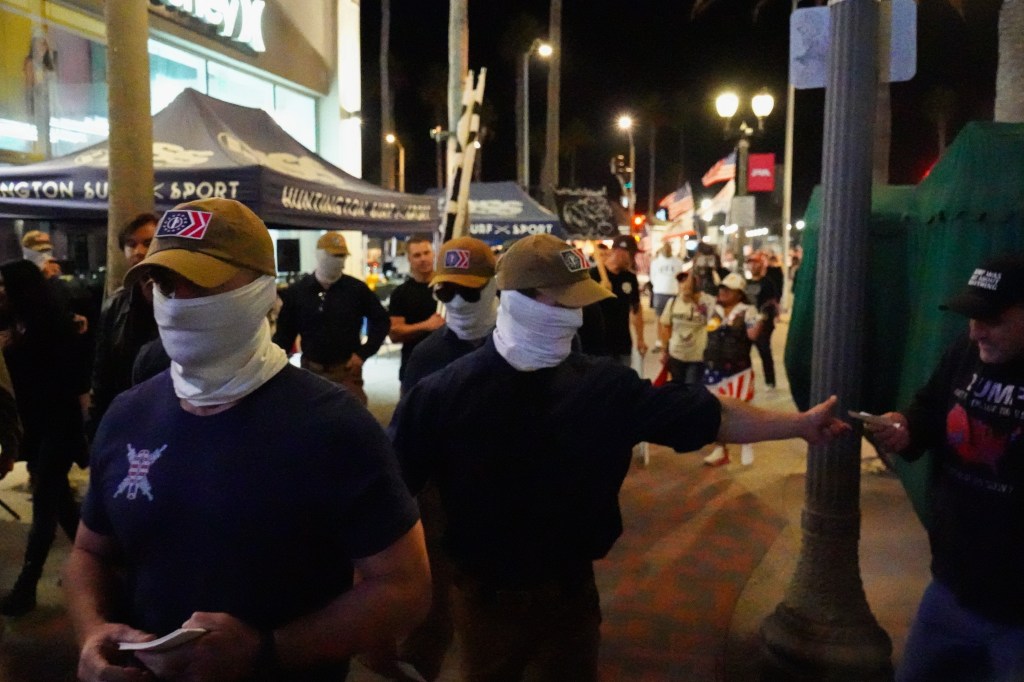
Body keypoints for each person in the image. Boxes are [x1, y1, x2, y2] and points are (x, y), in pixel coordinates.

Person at [389, 233, 849, 682]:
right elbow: (389, 493)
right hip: (486, 600)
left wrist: (798, 424)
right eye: (564, 301)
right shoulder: (443, 393)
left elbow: (710, 415)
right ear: (519, 300)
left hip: (572, 595)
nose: (576, 314)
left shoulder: (603, 386)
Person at [64, 198, 430, 682]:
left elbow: (404, 587)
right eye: (165, 284)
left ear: (261, 290)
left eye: (202, 282)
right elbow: (90, 552)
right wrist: (91, 631)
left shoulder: (334, 426)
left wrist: (268, 651)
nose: (179, 302)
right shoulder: (128, 415)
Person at [866, 255, 1024, 682]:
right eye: (972, 317)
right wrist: (906, 427)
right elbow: (932, 405)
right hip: (951, 586)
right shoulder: (967, 351)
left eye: (992, 319)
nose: (976, 331)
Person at [390, 236, 497, 680]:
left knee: (493, 609)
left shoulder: (520, 345)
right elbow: (408, 434)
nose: (456, 303)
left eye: (468, 292)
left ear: (493, 288)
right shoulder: (428, 354)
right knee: (433, 598)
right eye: (445, 291)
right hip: (440, 494)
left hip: (503, 495)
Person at [0, 259, 89, 616]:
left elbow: (72, 380)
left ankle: (27, 586)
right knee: (62, 504)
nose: (0, 291)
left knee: (45, 502)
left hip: (59, 426)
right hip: (38, 428)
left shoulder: (52, 324)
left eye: (4, 285)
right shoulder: (17, 321)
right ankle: (102, 563)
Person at [272, 231, 390, 406]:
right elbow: (285, 333)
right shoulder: (298, 292)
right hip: (310, 370)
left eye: (342, 256)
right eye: (333, 255)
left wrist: (363, 354)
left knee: (351, 416)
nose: (338, 261)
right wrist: (278, 366)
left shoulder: (356, 289)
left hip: (346, 369)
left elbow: (381, 320)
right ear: (320, 255)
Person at [90, 213, 159, 431]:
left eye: (147, 243)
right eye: (131, 244)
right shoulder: (116, 304)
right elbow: (103, 372)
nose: (138, 251)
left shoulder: (183, 296)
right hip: (127, 412)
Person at [702, 272, 764, 467]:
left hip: (738, 370)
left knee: (740, 410)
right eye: (722, 288)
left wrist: (761, 320)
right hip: (714, 369)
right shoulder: (713, 308)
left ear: (739, 294)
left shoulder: (747, 311)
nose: (723, 292)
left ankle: (747, 442)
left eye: (728, 289)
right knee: (715, 411)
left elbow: (753, 335)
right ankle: (720, 449)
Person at [388, 235, 445, 381]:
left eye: (426, 253)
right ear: (409, 259)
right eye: (417, 255)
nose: (423, 259)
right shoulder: (401, 293)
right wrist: (427, 325)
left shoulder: (447, 288)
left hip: (446, 366)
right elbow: (395, 333)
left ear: (434, 254)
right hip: (413, 368)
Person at [590, 234, 647, 366]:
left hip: (623, 344)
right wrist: (598, 290)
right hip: (600, 345)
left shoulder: (630, 278)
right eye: (632, 254)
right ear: (620, 251)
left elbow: (636, 308)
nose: (633, 259)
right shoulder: (594, 275)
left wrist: (640, 338)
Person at [659, 264, 717, 385]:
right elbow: (665, 326)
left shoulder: (708, 301)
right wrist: (664, 350)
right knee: (677, 389)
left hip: (697, 356)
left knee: (691, 389)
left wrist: (697, 303)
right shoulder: (673, 302)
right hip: (676, 354)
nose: (685, 284)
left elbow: (715, 324)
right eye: (681, 281)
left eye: (689, 281)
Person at [745, 251, 781, 390]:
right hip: (748, 322)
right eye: (750, 263)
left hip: (763, 323)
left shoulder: (767, 283)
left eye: (755, 263)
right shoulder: (746, 283)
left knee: (764, 351)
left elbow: (773, 302)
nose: (752, 266)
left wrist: (768, 318)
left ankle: (770, 381)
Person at [649, 243, 685, 351]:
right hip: (660, 293)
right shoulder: (655, 262)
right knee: (659, 319)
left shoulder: (678, 262)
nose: (667, 250)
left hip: (673, 294)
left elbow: (680, 278)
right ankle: (659, 342)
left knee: (673, 320)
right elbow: (652, 277)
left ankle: (670, 341)